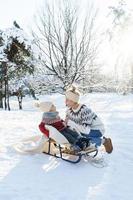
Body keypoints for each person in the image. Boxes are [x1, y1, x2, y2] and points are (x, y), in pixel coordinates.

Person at [65, 85, 113, 153]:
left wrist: (69, 122)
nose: (65, 101)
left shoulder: (84, 110)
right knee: (78, 137)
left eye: (67, 99)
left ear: (73, 100)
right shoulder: (69, 110)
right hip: (84, 130)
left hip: (97, 130)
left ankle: (105, 141)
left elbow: (86, 130)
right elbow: (69, 125)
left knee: (84, 140)